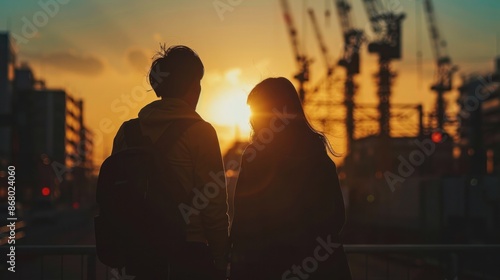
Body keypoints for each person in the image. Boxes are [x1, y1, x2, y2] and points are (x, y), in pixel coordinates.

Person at [111, 45, 229, 279]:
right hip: (189, 254)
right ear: (193, 86)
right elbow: (213, 205)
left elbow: (116, 196)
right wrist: (221, 259)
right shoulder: (201, 133)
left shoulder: (126, 132)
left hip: (141, 255)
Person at [230, 77, 352, 280]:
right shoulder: (317, 155)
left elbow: (244, 220)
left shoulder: (255, 158)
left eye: (255, 111)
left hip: (267, 267)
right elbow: (336, 217)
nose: (252, 119)